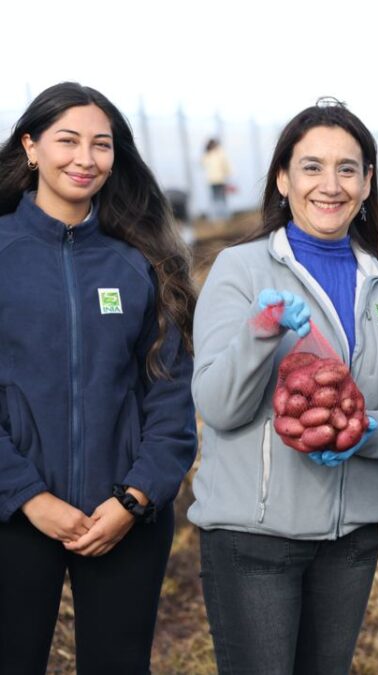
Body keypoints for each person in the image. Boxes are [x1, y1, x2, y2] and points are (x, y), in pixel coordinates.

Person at [188, 98, 378, 674]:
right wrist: (260, 335)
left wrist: (367, 431)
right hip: (255, 536)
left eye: (348, 168)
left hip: (352, 537)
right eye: (312, 166)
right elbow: (218, 406)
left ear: (368, 183)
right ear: (282, 178)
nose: (331, 184)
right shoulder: (239, 270)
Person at [0, 82, 198, 673]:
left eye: (101, 145)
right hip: (13, 512)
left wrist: (134, 500)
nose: (85, 158)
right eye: (68, 140)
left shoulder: (140, 262)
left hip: (122, 517)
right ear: (31, 147)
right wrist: (28, 497)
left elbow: (170, 400)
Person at [202, 137, 231, 221]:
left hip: (212, 180)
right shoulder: (220, 152)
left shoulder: (207, 154)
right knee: (221, 198)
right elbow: (225, 165)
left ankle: (217, 218)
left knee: (215, 199)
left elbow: (203, 164)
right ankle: (223, 217)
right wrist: (228, 174)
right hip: (219, 179)